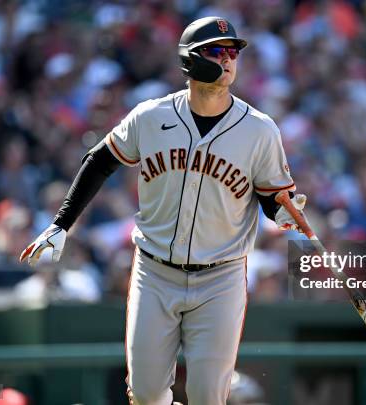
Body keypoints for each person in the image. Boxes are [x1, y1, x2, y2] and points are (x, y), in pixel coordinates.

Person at [20, 16, 306, 405]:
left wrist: (285, 214)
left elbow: (273, 199)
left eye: (233, 52)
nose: (227, 60)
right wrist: (61, 224)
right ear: (190, 60)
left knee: (208, 396)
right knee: (147, 393)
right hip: (155, 271)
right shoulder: (151, 116)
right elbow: (100, 160)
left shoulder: (260, 130)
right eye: (216, 51)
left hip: (220, 278)